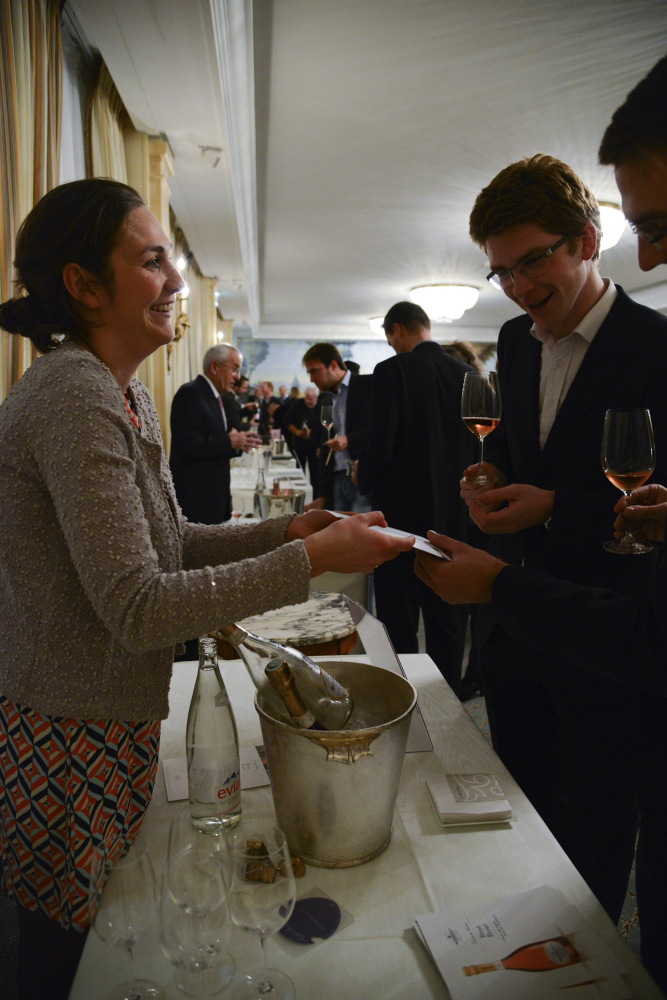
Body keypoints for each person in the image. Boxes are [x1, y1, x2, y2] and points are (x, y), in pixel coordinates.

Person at [0, 178, 414, 1000]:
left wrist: (286, 533)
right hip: (67, 729)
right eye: (152, 262)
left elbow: (171, 543)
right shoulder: (74, 394)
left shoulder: (119, 391)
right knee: (70, 958)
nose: (174, 283)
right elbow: (138, 606)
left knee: (108, 935)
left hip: (106, 716)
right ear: (83, 285)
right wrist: (311, 559)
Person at [415, 53, 667, 993]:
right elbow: (527, 464)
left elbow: (655, 498)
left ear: (587, 240)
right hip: (516, 624)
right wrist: (497, 479)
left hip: (612, 632)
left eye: (533, 261)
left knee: (597, 837)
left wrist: (559, 504)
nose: (517, 287)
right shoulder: (513, 348)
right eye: (501, 270)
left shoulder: (655, 347)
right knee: (516, 817)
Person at [356, 302, 476, 690]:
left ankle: (403, 693)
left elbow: (381, 445)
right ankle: (446, 696)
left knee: (399, 613)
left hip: (400, 516)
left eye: (390, 338)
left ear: (397, 330)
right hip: (454, 512)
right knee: (447, 613)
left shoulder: (392, 370)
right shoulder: (467, 374)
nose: (391, 346)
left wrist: (362, 475)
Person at [170, 343, 260, 525]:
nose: (237, 377)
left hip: (213, 498)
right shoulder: (191, 393)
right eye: (234, 369)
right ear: (214, 367)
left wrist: (236, 443)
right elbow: (187, 445)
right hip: (197, 501)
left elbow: (213, 440)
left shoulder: (214, 396)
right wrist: (228, 442)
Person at [303, 343, 372, 511]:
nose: (312, 379)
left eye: (315, 371)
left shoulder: (368, 386)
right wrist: (322, 495)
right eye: (309, 373)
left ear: (333, 365)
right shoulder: (325, 399)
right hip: (337, 481)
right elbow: (325, 447)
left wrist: (349, 440)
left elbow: (383, 431)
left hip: (363, 478)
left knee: (361, 528)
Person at [284, 384, 320, 493]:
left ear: (316, 398)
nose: (308, 401)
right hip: (299, 443)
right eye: (306, 399)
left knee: (315, 475)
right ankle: (298, 495)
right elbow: (287, 421)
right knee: (298, 473)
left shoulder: (320, 406)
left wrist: (312, 432)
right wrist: (297, 431)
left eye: (311, 399)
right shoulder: (298, 404)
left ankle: (316, 498)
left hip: (314, 445)